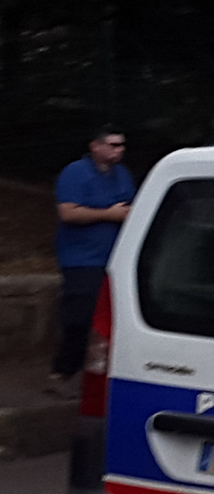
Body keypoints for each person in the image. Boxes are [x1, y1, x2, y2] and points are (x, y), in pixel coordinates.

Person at [51, 128, 135, 391]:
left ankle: (101, 377)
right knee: (80, 318)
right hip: (82, 259)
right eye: (112, 145)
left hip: (115, 259)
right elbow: (68, 213)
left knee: (111, 320)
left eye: (121, 145)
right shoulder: (76, 173)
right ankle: (63, 373)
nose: (118, 150)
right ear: (96, 146)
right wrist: (108, 215)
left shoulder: (123, 175)